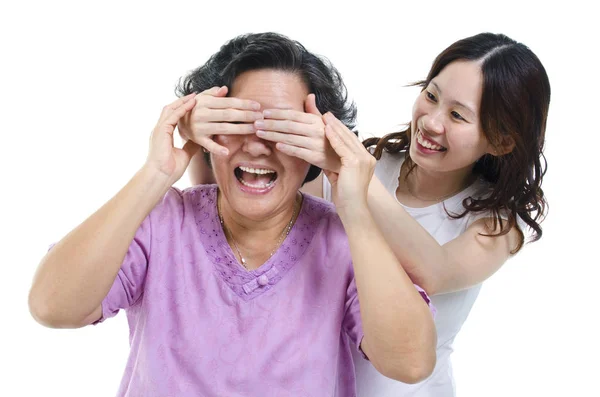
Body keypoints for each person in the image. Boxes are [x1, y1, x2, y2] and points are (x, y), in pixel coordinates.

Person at [28, 32, 437, 396]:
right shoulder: (163, 222)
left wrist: (355, 208)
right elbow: (52, 306)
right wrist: (157, 172)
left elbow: (410, 363)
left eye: (283, 129)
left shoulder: (343, 242)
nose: (258, 146)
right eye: (241, 121)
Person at [183, 32, 550, 396]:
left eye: (457, 115)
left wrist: (351, 172)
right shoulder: (371, 160)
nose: (431, 122)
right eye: (431, 95)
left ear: (501, 140)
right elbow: (248, 205)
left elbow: (433, 272)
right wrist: (205, 136)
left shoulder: (498, 222)